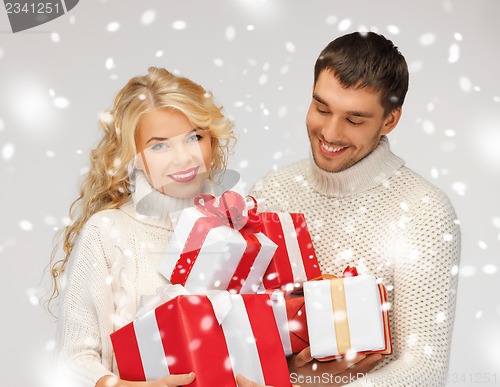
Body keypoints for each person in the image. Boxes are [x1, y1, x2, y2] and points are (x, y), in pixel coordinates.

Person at [251, 32, 460, 386]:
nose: (330, 133)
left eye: (354, 120)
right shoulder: (272, 191)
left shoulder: (423, 211)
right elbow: (247, 332)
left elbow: (424, 369)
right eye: (321, 108)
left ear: (390, 120)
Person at [48, 67, 266, 387]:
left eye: (194, 137)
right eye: (159, 145)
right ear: (134, 157)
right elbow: (71, 359)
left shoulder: (238, 226)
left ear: (212, 141)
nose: (183, 158)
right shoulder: (108, 232)